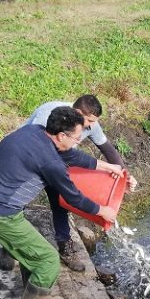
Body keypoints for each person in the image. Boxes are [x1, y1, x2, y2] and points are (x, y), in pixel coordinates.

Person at [0, 106, 122, 299]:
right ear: (61, 135)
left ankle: (36, 298)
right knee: (48, 260)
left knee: (34, 253)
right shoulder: (50, 162)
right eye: (77, 137)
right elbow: (73, 197)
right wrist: (102, 211)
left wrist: (108, 166)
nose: (79, 141)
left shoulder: (37, 132)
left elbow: (72, 155)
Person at [21, 94, 138, 272]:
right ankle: (10, 247)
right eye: (89, 120)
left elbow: (108, 149)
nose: (91, 125)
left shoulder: (91, 124)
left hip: (58, 159)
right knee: (19, 199)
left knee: (60, 201)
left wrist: (124, 175)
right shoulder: (48, 115)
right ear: (78, 113)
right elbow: (41, 147)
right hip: (29, 157)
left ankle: (64, 246)